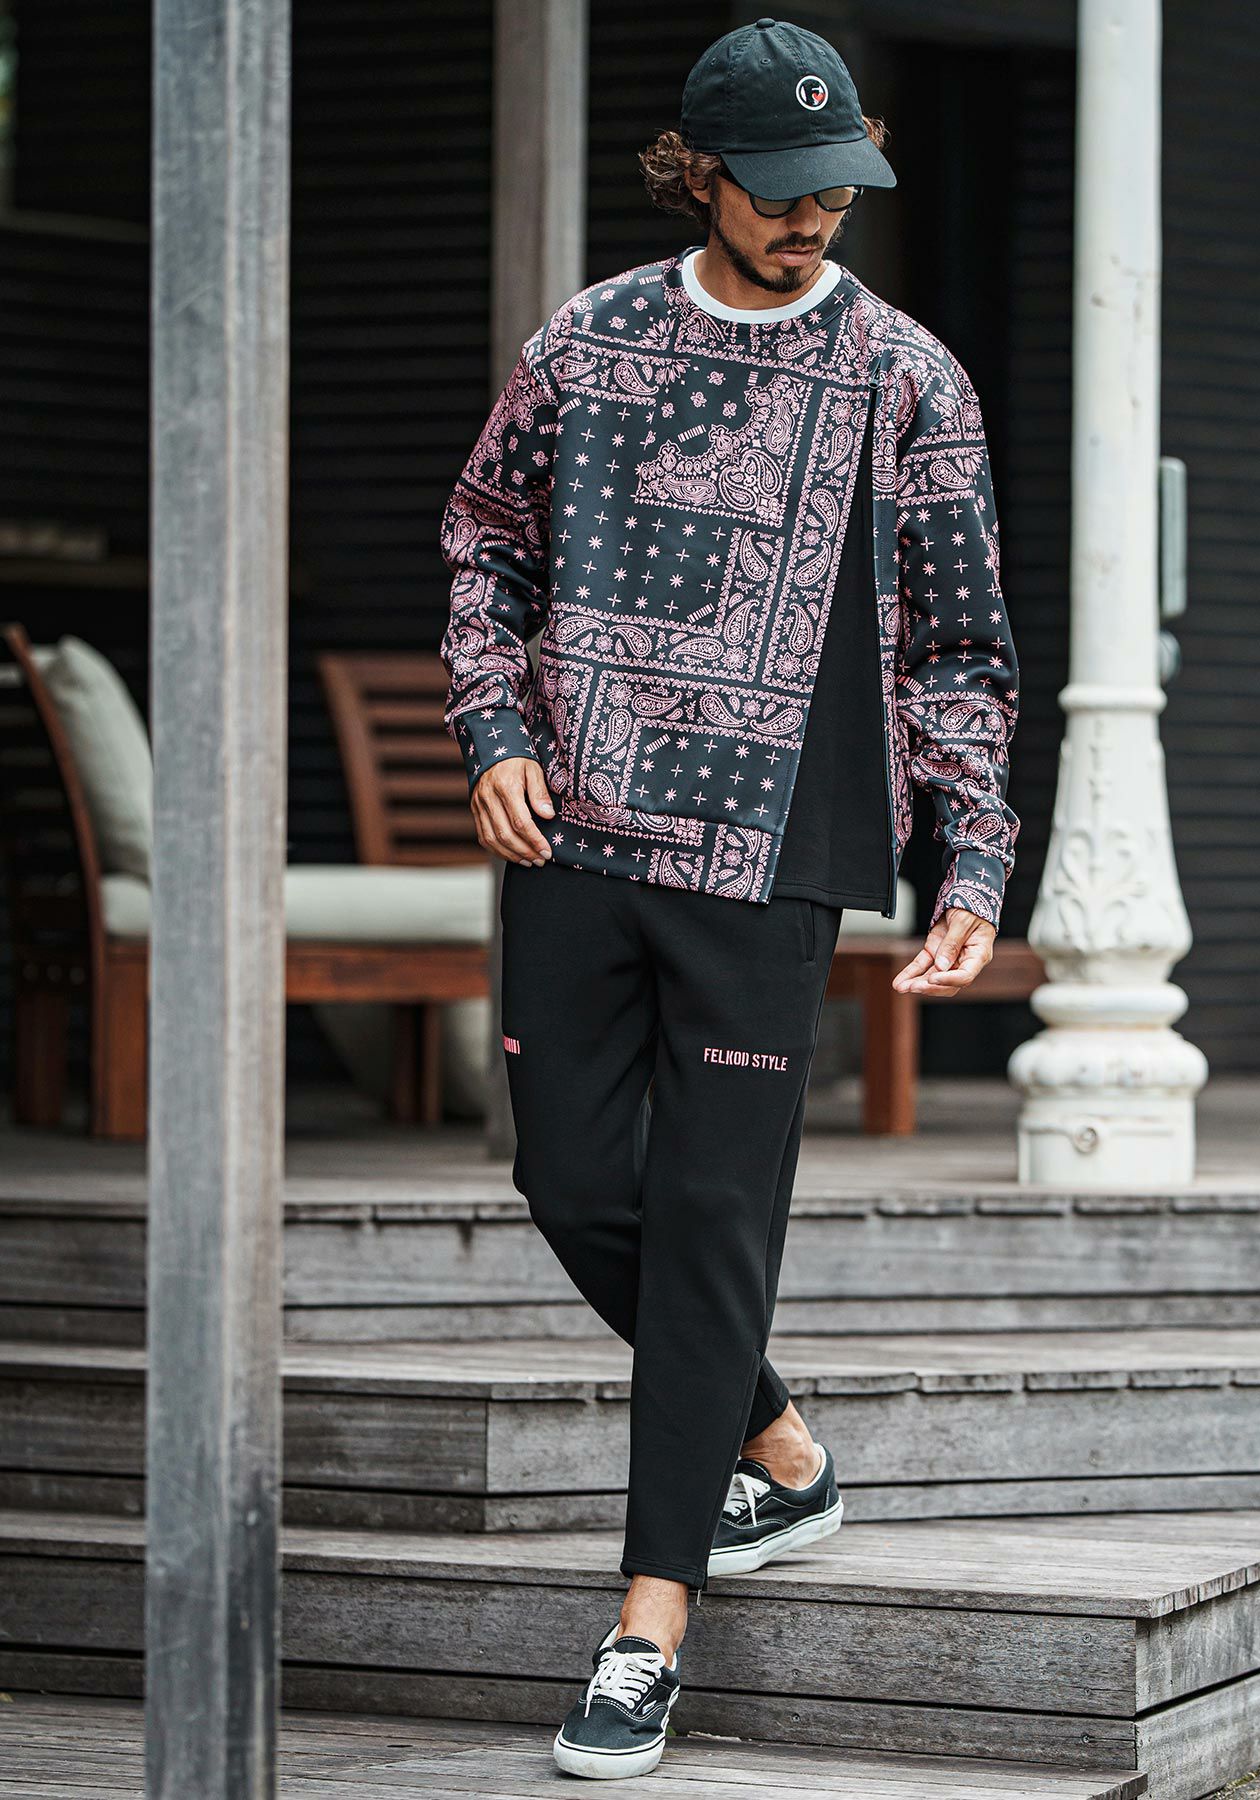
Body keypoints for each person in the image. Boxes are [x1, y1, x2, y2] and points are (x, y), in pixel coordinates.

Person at [436, 15, 1019, 1780]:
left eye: (835, 186)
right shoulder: (587, 341)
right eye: (776, 188)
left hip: (777, 857)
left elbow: (961, 646)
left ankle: (646, 1629)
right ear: (698, 173)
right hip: (578, 836)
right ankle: (778, 1445)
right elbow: (484, 548)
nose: (811, 216)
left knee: (707, 1219)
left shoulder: (909, 377)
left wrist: (974, 855)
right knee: (567, 1177)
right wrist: (493, 733)